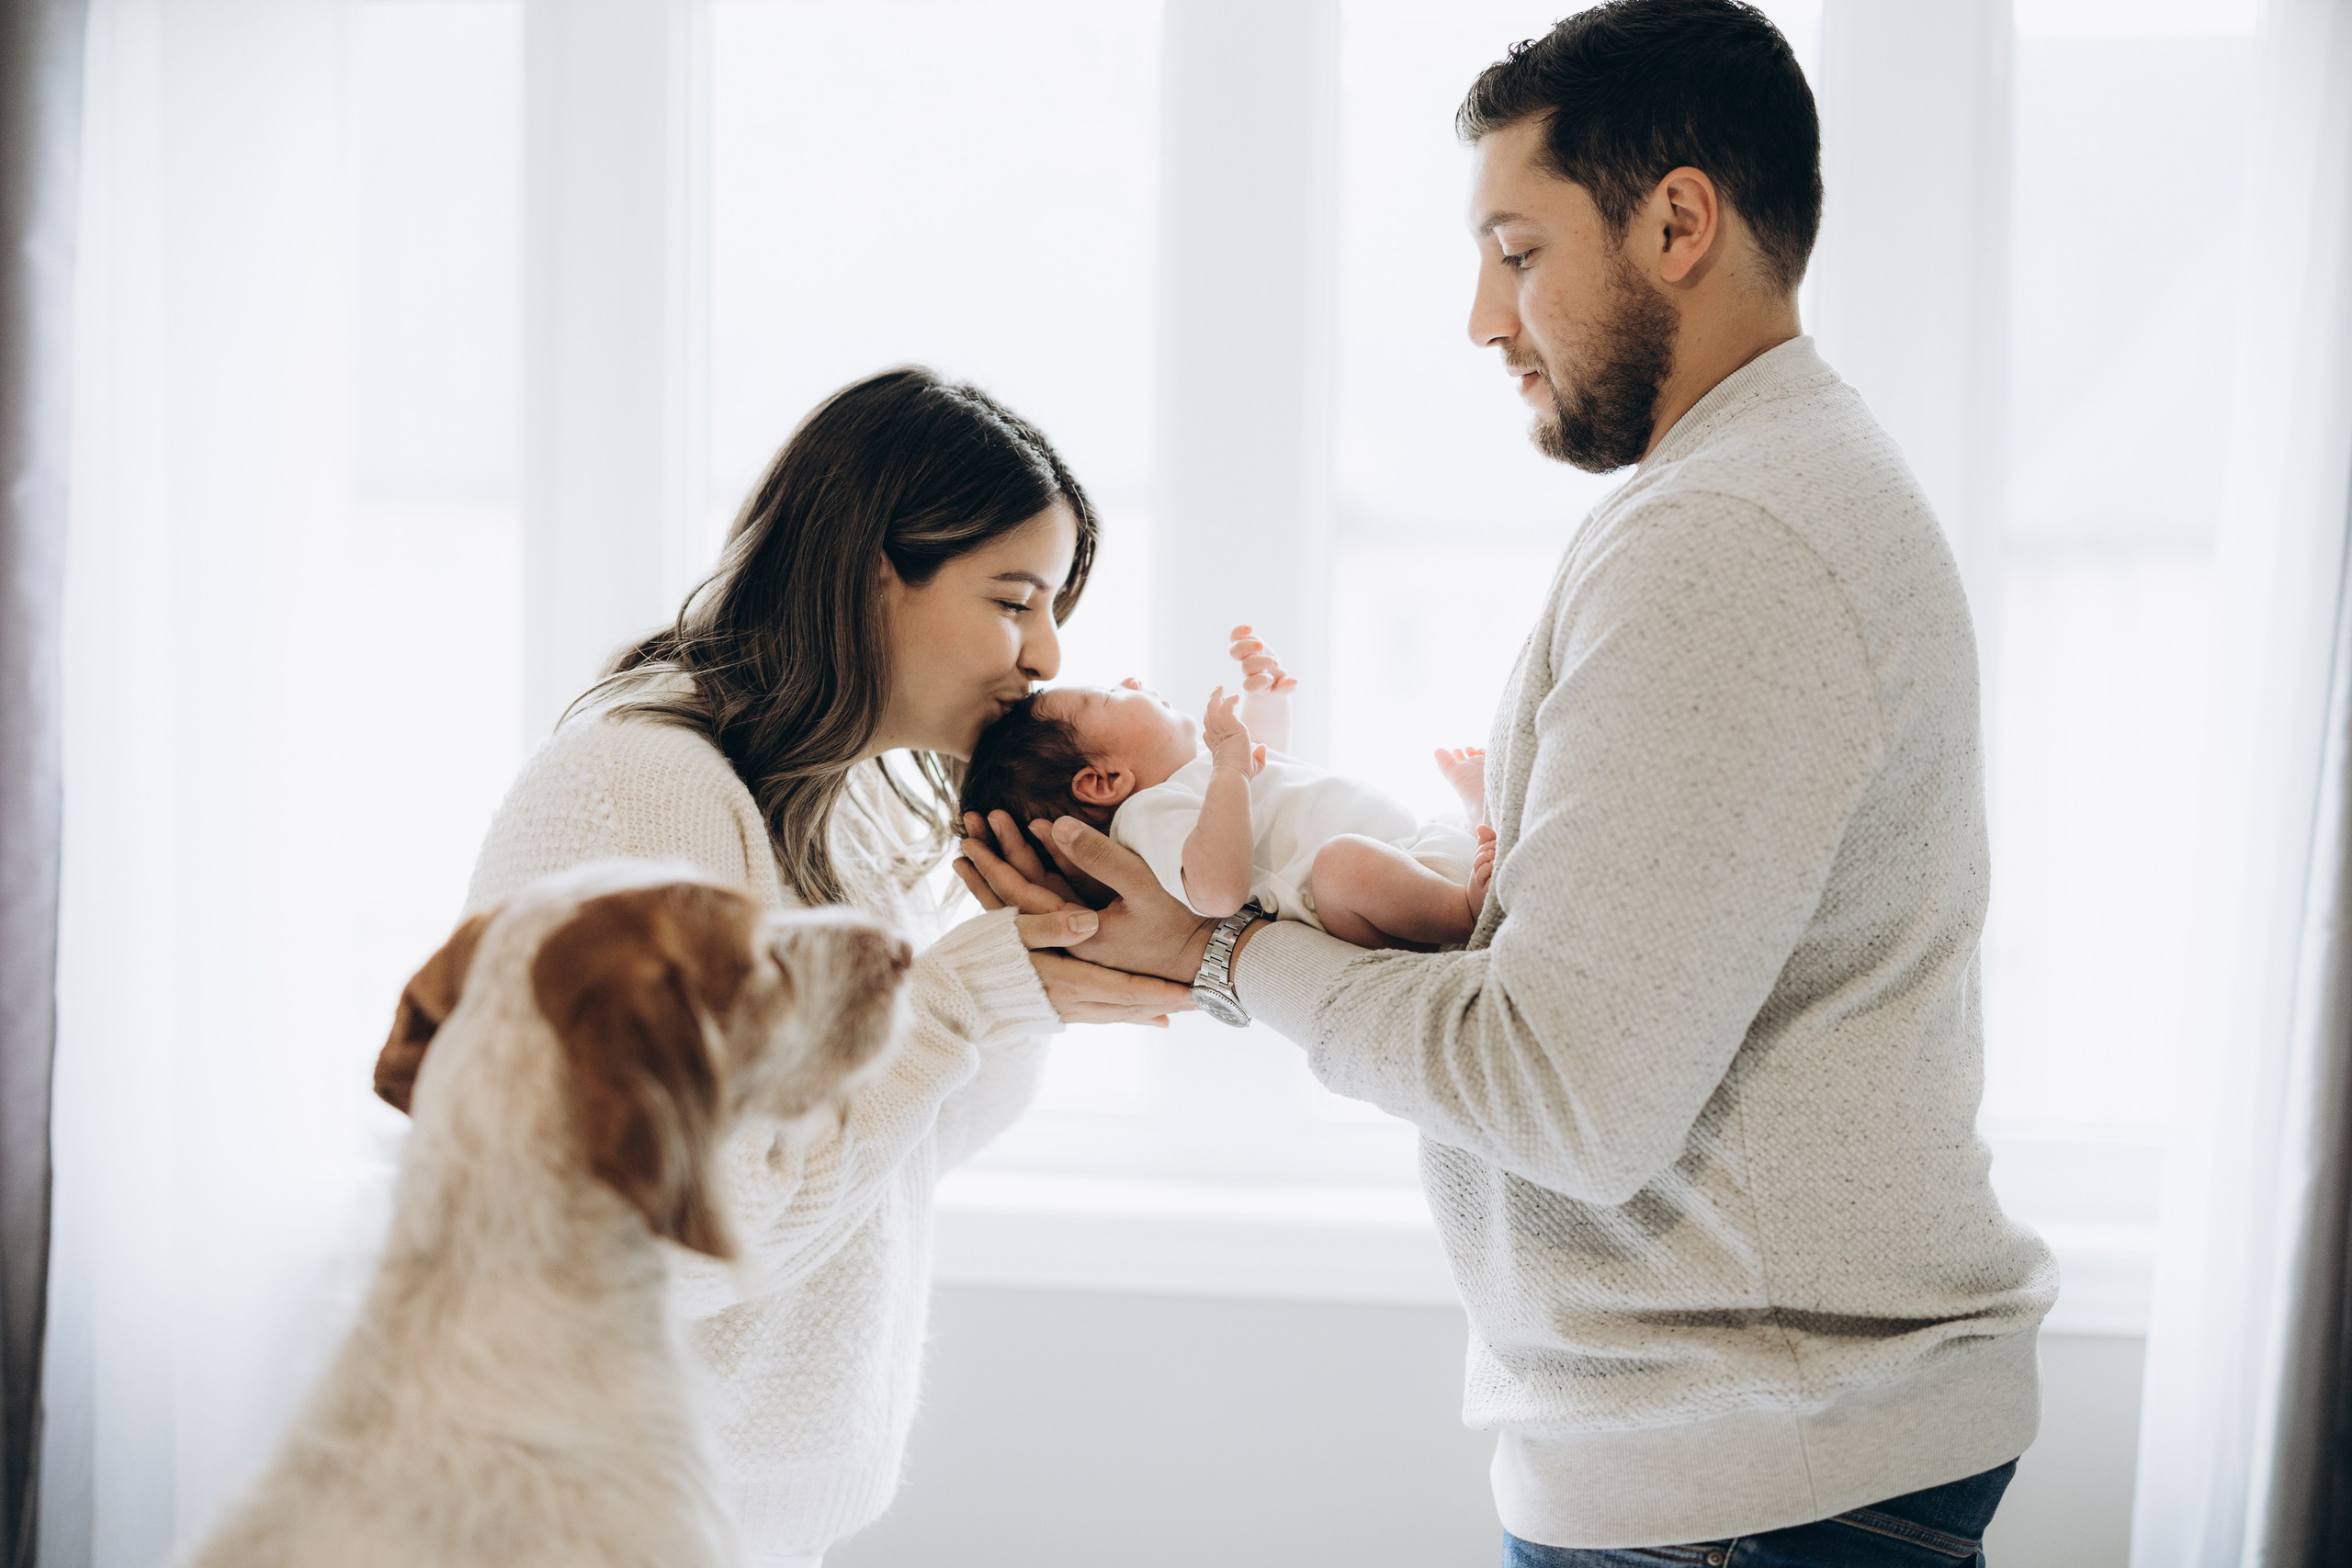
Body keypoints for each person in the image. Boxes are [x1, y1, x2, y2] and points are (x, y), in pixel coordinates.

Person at [957, 2, 2056, 1562]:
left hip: (1742, 1482)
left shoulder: (1730, 538)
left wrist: (1218, 955)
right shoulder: (1775, 491)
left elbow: (1565, 1094)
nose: (1483, 315)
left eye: (1519, 249)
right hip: (1766, 1457)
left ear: (1680, 220)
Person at [463, 366, 1188, 1568]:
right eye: (1015, 598)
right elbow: (691, 1232)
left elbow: (877, 1169)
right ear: (870, 570)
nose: (1048, 653)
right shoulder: (644, 787)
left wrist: (1024, 960)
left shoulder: (831, 812)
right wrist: (959, 994)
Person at [958, 626, 1496, 950]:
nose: (1131, 683)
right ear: (1104, 781)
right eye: (1107, 698)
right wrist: (1229, 770)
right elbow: (1216, 892)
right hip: (1356, 901)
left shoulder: (1202, 781)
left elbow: (1263, 771)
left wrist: (1264, 701)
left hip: (1409, 855)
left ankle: (1470, 826)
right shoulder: (1148, 817)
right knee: (1341, 863)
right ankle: (1462, 914)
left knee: (1426, 832)